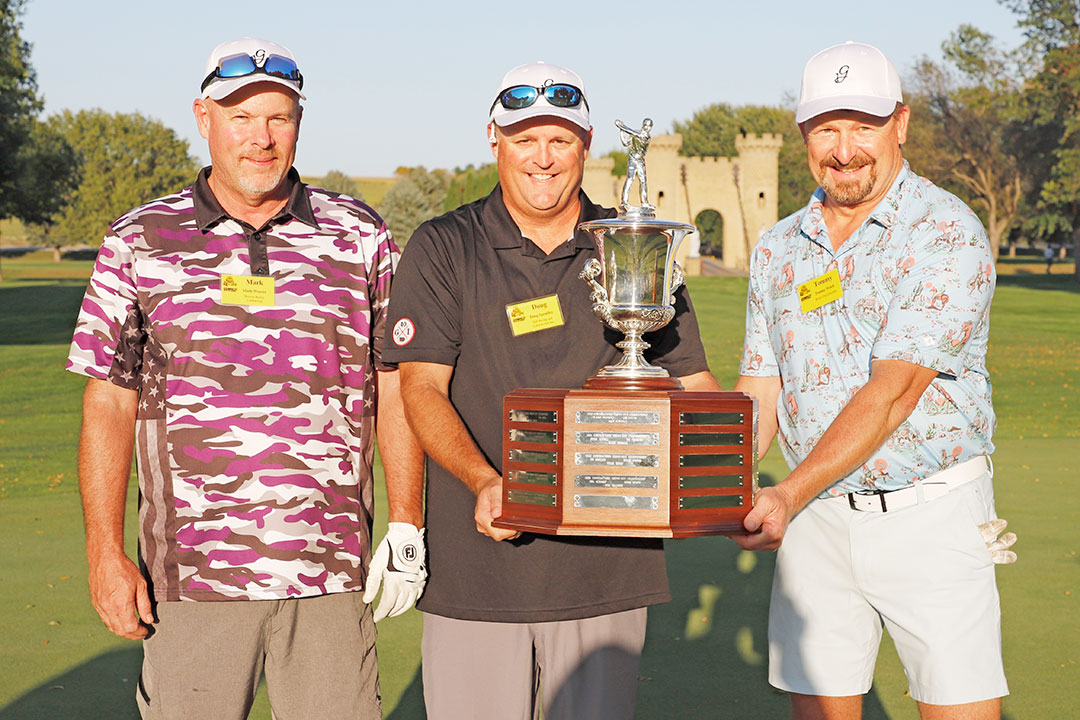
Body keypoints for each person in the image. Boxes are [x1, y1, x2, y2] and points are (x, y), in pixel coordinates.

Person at [67, 37, 425, 719]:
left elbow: (396, 384)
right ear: (204, 118)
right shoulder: (139, 240)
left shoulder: (359, 236)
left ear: (298, 123)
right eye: (240, 117)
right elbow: (107, 404)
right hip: (192, 583)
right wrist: (103, 553)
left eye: (279, 118)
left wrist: (407, 522)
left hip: (329, 577)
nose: (260, 138)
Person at [382, 61, 721, 720]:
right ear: (494, 141)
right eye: (524, 139)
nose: (543, 158)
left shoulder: (635, 248)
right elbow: (420, 388)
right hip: (478, 571)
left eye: (560, 139)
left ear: (586, 145)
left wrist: (732, 481)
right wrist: (484, 480)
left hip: (609, 571)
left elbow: (691, 380)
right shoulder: (445, 245)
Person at [733, 41, 1016, 720]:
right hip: (817, 525)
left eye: (863, 125)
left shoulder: (945, 231)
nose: (845, 148)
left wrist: (786, 495)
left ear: (901, 124)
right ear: (803, 133)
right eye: (826, 127)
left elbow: (893, 392)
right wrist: (723, 481)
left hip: (932, 514)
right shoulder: (776, 248)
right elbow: (761, 390)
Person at [616, 117, 654, 212]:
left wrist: (622, 126)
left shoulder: (646, 136)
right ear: (643, 125)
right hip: (633, 159)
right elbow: (625, 143)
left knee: (643, 181)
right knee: (630, 179)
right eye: (646, 125)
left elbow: (633, 133)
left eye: (649, 126)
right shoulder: (635, 134)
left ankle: (644, 202)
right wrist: (621, 131)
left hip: (640, 160)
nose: (647, 128)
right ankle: (624, 201)